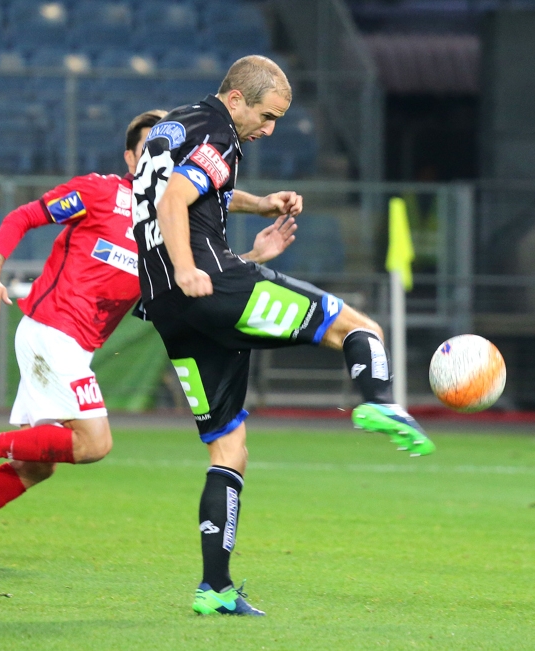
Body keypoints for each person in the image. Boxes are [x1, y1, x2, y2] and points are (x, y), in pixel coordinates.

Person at [0, 110, 297, 567]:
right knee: (95, 443)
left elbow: (194, 279)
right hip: (51, 329)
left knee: (38, 464)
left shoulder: (162, 236)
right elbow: (24, 216)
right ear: (133, 158)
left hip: (70, 344)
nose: (162, 159)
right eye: (152, 149)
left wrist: (254, 252)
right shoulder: (99, 193)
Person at [131, 55, 434, 617]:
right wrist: (189, 266)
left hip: (169, 309)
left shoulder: (175, 127)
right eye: (267, 117)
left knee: (229, 447)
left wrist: (261, 202)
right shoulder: (220, 131)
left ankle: (215, 588)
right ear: (239, 98)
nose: (269, 130)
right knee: (358, 327)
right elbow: (177, 200)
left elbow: (188, 192)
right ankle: (379, 403)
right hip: (207, 282)